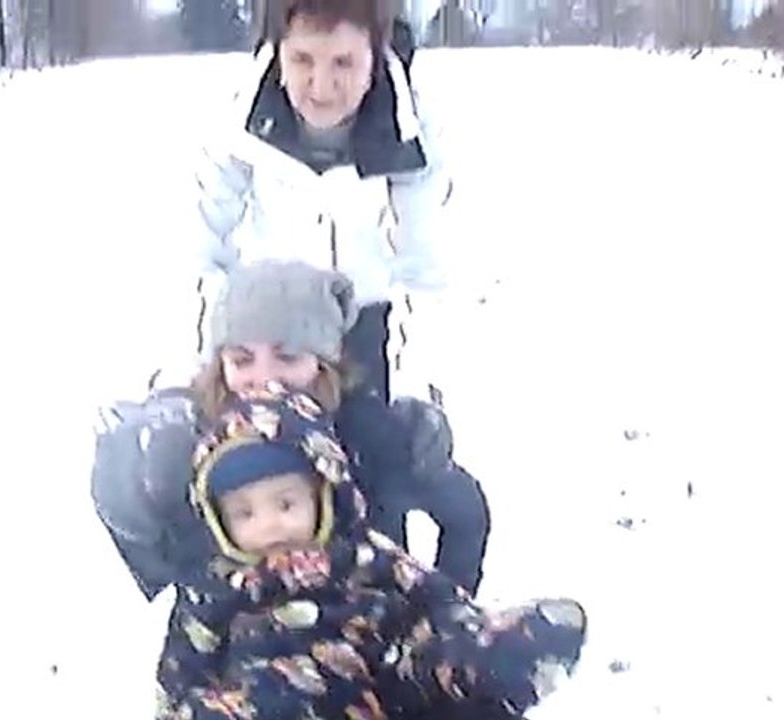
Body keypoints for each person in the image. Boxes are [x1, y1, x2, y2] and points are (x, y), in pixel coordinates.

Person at [156, 385, 586, 720]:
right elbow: (180, 675)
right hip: (276, 700)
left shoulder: (363, 552)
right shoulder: (213, 589)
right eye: (244, 514)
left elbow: (434, 598)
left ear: (324, 494)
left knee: (430, 654)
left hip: (384, 681)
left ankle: (497, 661)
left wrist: (462, 633)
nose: (268, 524)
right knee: (265, 696)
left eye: (285, 504)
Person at [92, 261, 489, 604]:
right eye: (242, 360)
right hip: (235, 670)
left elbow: (466, 515)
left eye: (288, 357)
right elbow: (158, 558)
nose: (263, 378)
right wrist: (126, 484)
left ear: (324, 362)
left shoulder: (369, 434)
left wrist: (444, 613)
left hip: (365, 661)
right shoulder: (195, 441)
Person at [169, 0, 456, 406]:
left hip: (368, 339)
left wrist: (414, 400)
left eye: (343, 63)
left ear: (374, 59)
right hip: (266, 338)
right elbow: (195, 251)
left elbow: (426, 273)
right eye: (302, 60)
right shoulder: (236, 122)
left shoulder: (412, 134)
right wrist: (188, 375)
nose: (321, 87)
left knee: (397, 461)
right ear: (277, 53)